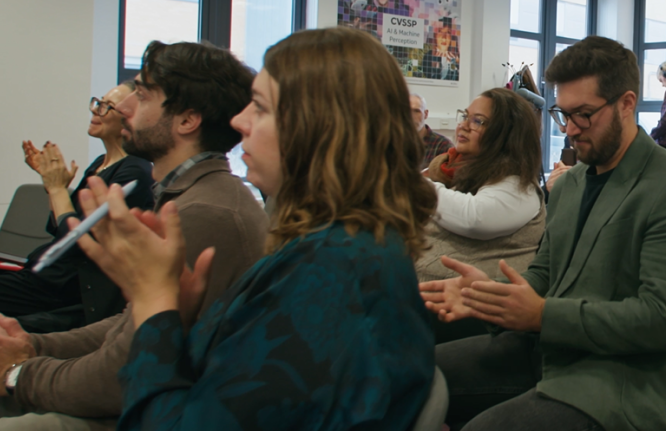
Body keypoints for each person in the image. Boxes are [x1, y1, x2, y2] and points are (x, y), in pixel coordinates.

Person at [65, 27, 437, 430]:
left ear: (317, 130)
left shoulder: (329, 272)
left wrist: (154, 302)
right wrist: (176, 315)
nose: (239, 121)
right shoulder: (333, 248)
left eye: (259, 107)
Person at [422, 36, 666, 431]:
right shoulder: (569, 186)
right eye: (562, 114)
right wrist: (491, 298)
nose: (569, 130)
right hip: (551, 351)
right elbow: (545, 276)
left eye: (583, 115)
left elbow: (662, 320)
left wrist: (543, 315)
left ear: (627, 104)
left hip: (626, 380)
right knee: (410, 379)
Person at [0, 41, 270, 430]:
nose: (124, 108)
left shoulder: (205, 213)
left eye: (142, 96)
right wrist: (33, 346)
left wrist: (20, 374)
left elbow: (121, 376)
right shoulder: (189, 196)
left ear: (187, 120)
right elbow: (129, 323)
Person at [10, 85, 154, 333]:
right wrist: (52, 185)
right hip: (46, 277)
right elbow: (58, 227)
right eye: (98, 102)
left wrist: (57, 190)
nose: (96, 111)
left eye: (106, 106)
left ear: (128, 120)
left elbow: (76, 240)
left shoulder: (134, 173)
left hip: (69, 289)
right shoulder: (100, 164)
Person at [418, 88, 545, 284]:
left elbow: (474, 218)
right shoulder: (447, 169)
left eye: (478, 121)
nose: (464, 126)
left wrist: (413, 184)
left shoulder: (520, 185)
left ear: (506, 134)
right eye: (465, 116)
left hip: (476, 307)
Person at [411, 93, 453, 170]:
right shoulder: (394, 143)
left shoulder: (443, 145)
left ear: (426, 114)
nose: (411, 116)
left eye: (416, 111)